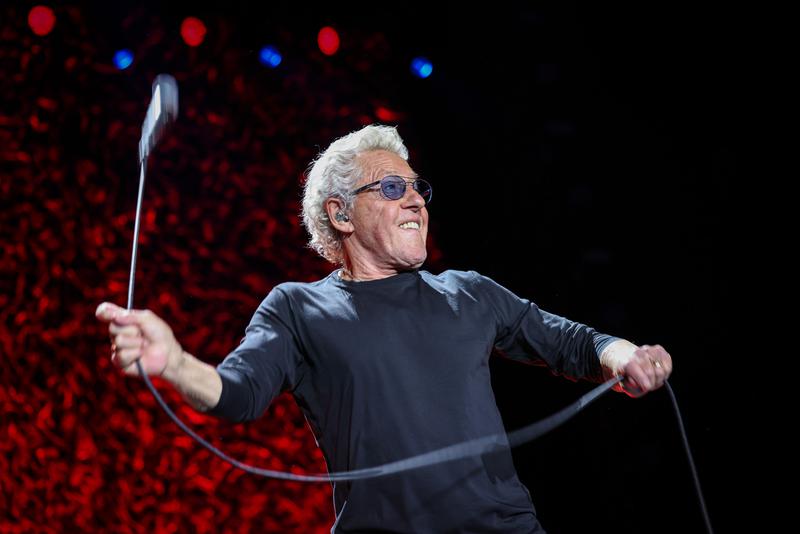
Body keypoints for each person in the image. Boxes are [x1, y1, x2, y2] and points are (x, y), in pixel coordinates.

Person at [96, 124, 673, 533]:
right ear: (341, 214)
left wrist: (623, 356)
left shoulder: (467, 291)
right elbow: (238, 393)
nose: (416, 201)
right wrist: (171, 361)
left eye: (418, 189)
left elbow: (570, 341)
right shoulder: (297, 308)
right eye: (392, 188)